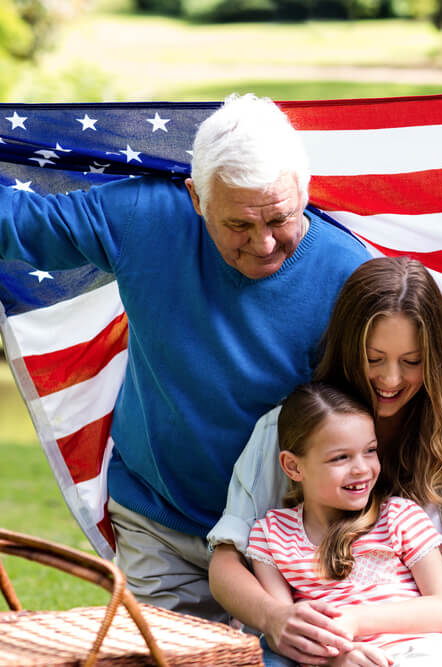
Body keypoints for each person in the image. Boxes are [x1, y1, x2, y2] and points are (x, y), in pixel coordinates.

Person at [0, 93, 370, 622]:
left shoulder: (348, 274)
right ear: (197, 198)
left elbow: (392, 392)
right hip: (160, 522)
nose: (263, 243)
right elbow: (22, 223)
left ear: (304, 194)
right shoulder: (145, 216)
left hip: (286, 535)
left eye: (280, 219)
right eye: (239, 225)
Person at [208, 256, 442, 666]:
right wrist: (276, 618)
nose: (390, 379)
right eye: (374, 359)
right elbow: (227, 560)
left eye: (412, 361)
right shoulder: (282, 429)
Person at [246, 381, 442, 667]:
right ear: (293, 466)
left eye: (370, 450)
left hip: (421, 655)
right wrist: (338, 659)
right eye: (341, 457)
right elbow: (288, 632)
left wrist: (354, 620)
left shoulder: (399, 517)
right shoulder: (272, 536)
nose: (362, 469)